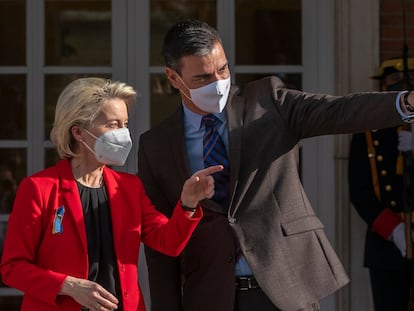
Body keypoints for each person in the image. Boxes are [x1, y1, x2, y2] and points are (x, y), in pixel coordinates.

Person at [137, 19, 414, 311]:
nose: (217, 84)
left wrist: (406, 103)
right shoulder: (156, 146)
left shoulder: (267, 101)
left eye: (223, 70)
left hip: (283, 290)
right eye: (202, 78)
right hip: (209, 295)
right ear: (173, 78)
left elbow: (337, 110)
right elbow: (159, 245)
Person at [0, 77, 223, 311]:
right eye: (113, 125)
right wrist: (69, 285)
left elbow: (168, 242)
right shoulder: (39, 188)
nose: (123, 134)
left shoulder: (129, 187)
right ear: (78, 132)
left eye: (125, 124)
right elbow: (12, 268)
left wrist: (188, 203)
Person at [348, 58, 414, 311]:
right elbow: (359, 191)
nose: (399, 89)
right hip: (387, 242)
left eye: (406, 84)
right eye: (392, 83)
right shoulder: (369, 130)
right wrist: (394, 230)